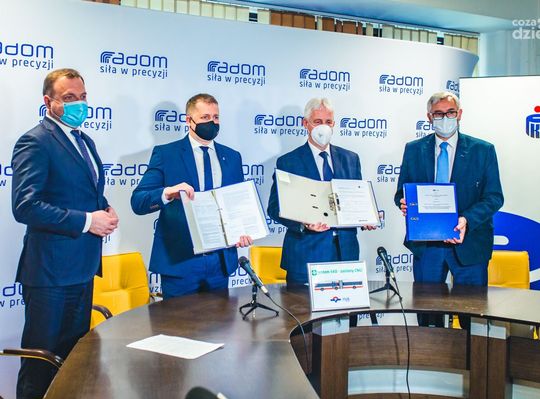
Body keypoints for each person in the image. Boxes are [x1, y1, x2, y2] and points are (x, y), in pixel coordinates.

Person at [11, 68, 118, 399]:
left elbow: (82, 193)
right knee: (40, 366)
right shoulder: (35, 141)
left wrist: (105, 209)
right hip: (50, 275)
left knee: (71, 365)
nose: (79, 105)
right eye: (69, 98)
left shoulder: (84, 140)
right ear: (49, 102)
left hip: (83, 270)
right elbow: (26, 206)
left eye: (82, 97)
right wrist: (87, 221)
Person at [394, 91, 504, 326]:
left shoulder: (483, 150)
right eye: (438, 114)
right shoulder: (414, 149)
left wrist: (466, 220)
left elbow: (494, 197)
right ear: (429, 117)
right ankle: (431, 351)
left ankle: (471, 352)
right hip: (427, 246)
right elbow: (401, 192)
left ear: (459, 114)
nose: (445, 118)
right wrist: (404, 202)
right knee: (428, 319)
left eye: (450, 112)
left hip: (469, 245)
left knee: (472, 319)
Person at [131, 93, 252, 298]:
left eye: (216, 117)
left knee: (220, 319)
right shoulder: (166, 154)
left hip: (220, 263)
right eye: (205, 117)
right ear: (189, 120)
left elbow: (237, 204)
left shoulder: (232, 157)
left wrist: (242, 231)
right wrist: (167, 193)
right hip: (180, 262)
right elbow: (138, 201)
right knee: (177, 320)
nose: (212, 123)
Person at [267, 97, 373, 285]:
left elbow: (355, 200)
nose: (323, 127)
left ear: (334, 124)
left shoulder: (351, 158)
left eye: (328, 122)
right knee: (301, 306)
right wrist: (303, 223)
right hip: (305, 254)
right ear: (305, 124)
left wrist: (366, 217)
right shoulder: (288, 162)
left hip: (345, 255)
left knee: (345, 305)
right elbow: (275, 208)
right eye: (317, 122)